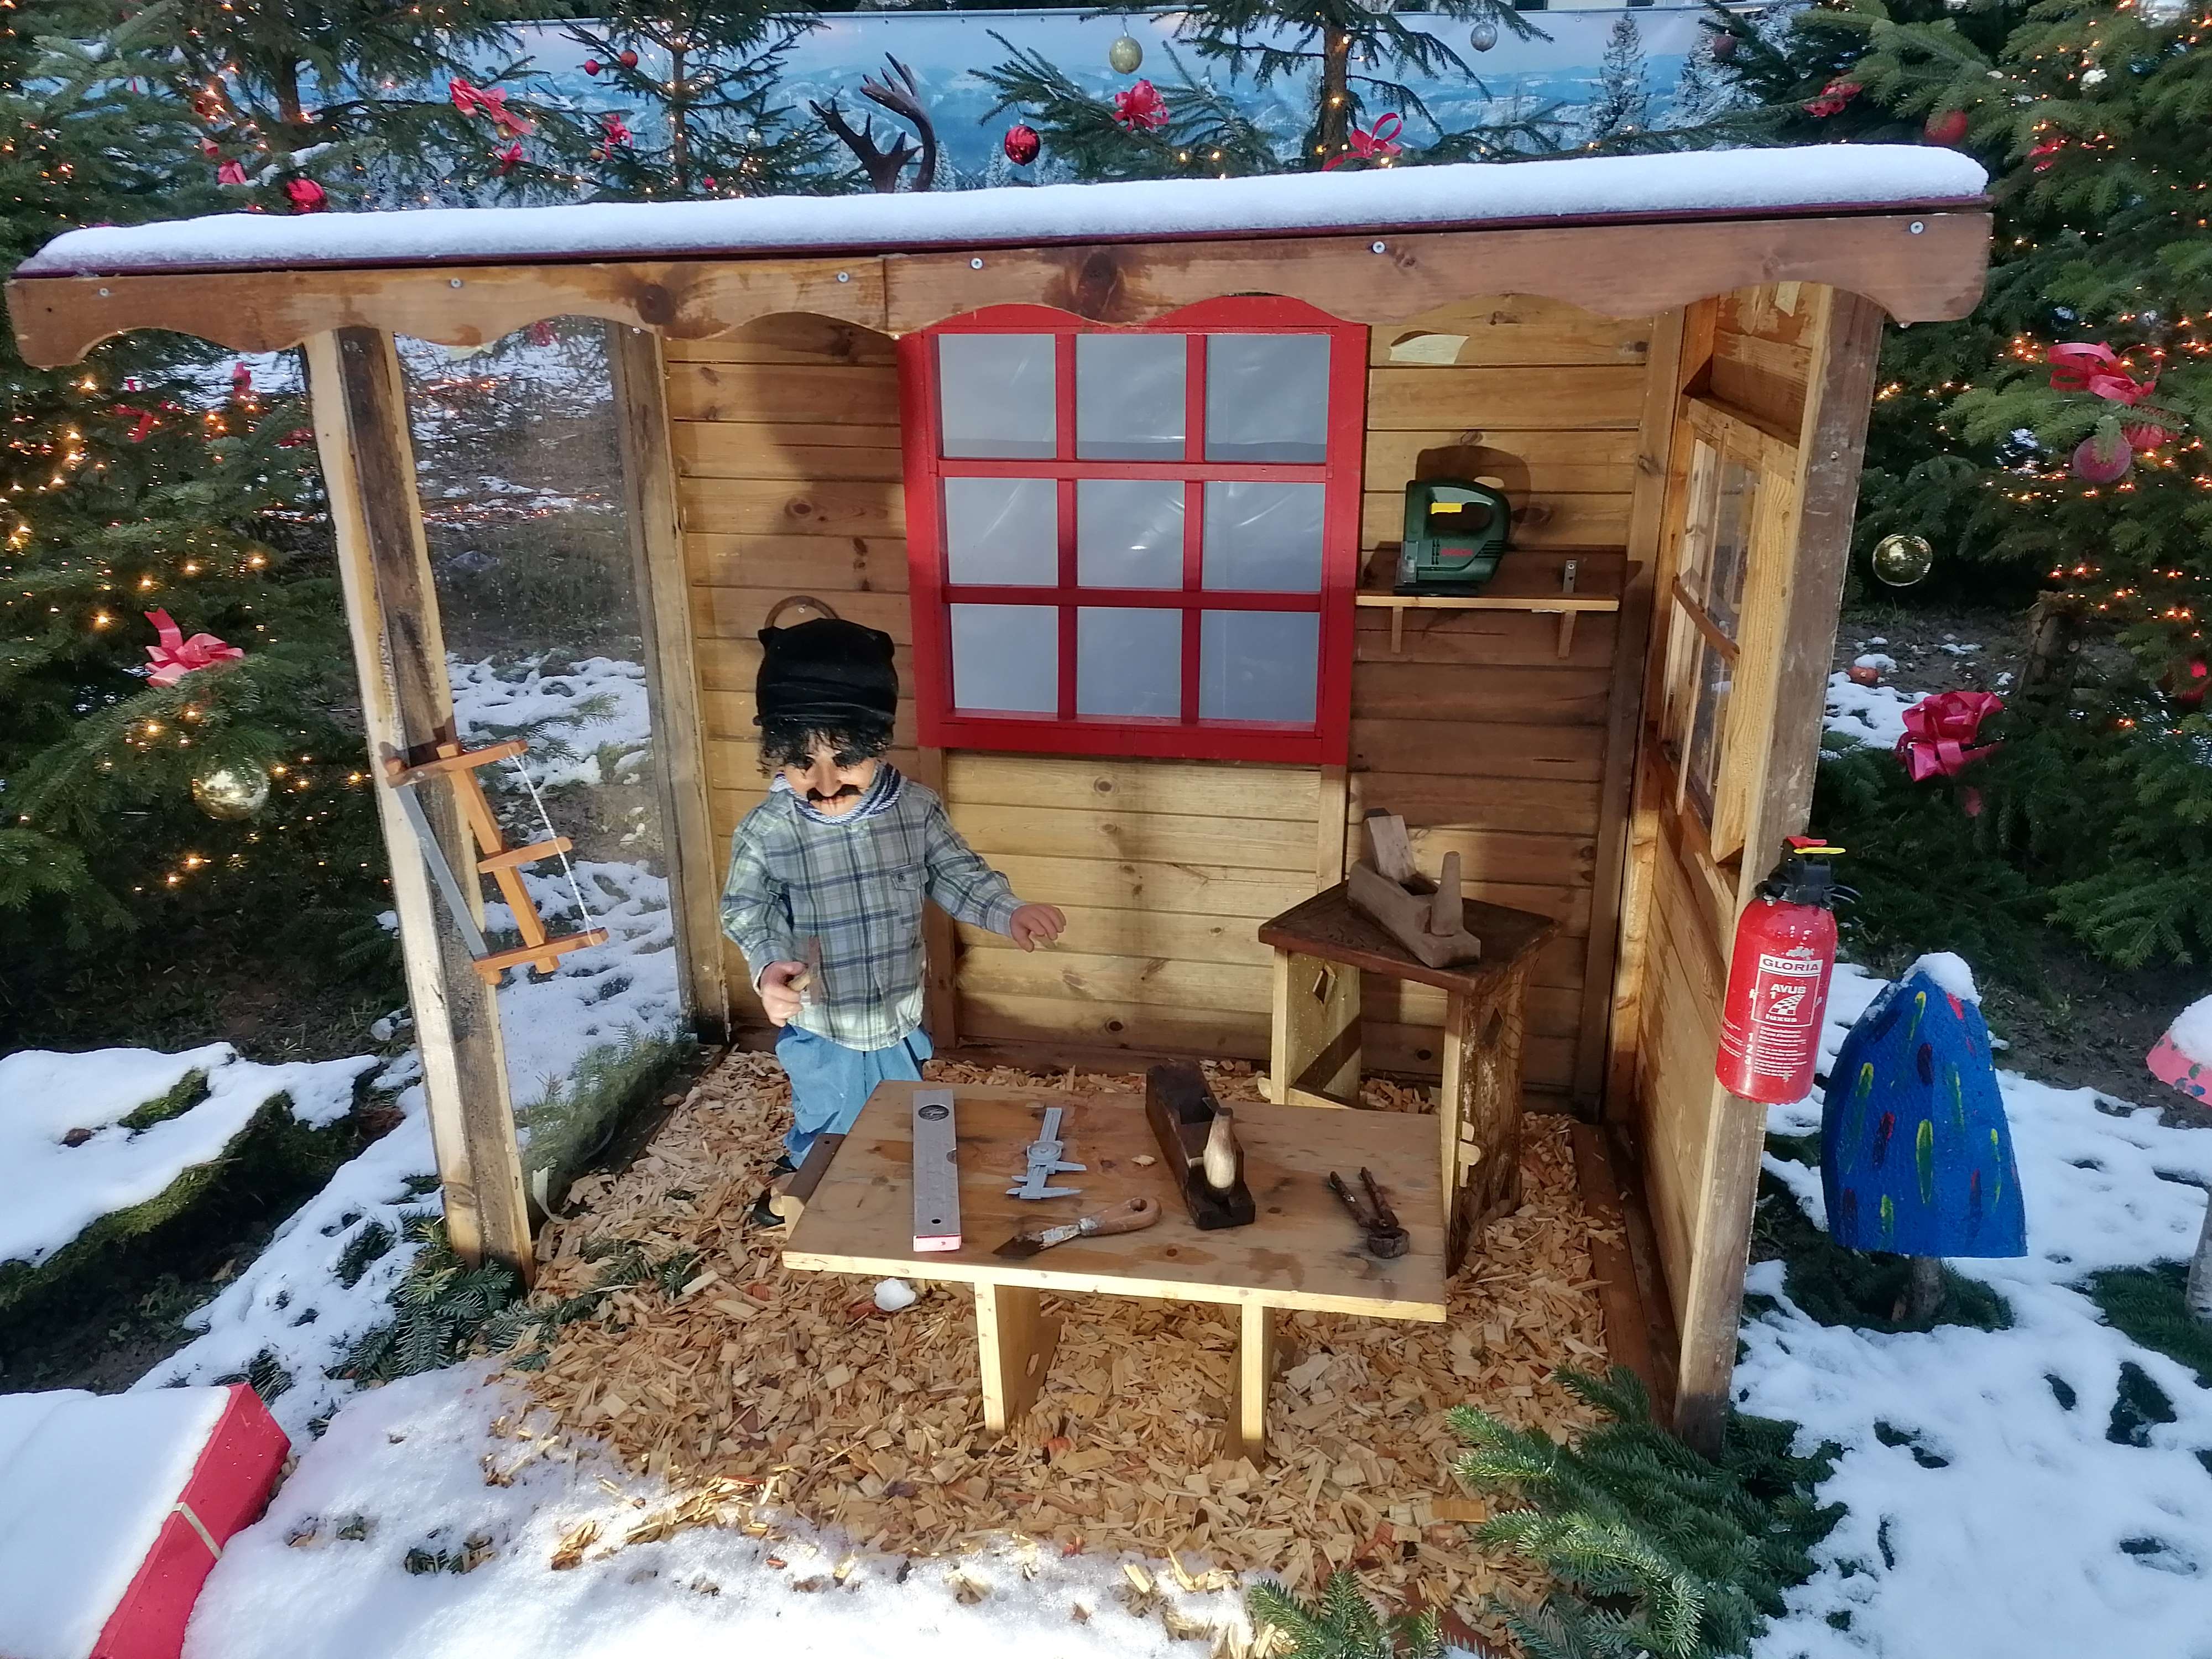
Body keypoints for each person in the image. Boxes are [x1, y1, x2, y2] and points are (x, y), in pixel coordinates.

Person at [720, 616, 1065, 1227]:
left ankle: (894, 1183)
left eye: (845, 759)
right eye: (802, 763)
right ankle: (804, 1182)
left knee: (902, 1107)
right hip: (823, 1019)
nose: (825, 782)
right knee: (827, 1110)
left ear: (878, 745)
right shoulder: (768, 830)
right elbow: (749, 908)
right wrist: (769, 966)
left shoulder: (916, 811)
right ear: (777, 755)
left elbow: (957, 875)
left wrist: (1009, 910)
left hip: (898, 1010)